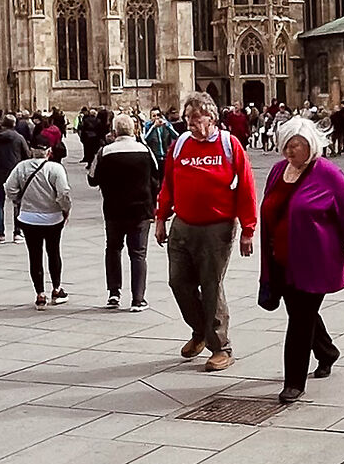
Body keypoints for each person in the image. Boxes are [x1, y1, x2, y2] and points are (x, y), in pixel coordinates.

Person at [260, 116, 344, 405]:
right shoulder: (279, 170)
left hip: (316, 260)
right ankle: (327, 351)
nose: (289, 151)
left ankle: (294, 382)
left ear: (311, 145)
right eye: (286, 145)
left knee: (300, 319)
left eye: (296, 145)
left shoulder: (328, 174)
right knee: (300, 312)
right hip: (281, 258)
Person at [154, 91, 258, 373]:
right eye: (187, 118)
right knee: (178, 283)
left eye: (195, 118)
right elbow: (168, 185)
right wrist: (161, 218)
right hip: (183, 225)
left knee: (211, 287)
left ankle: (221, 347)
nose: (190, 123)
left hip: (217, 227)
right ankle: (199, 330)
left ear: (211, 118)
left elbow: (246, 188)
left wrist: (248, 229)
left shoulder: (229, 144)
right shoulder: (179, 145)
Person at [89, 111, 159, 309]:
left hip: (114, 210)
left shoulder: (105, 152)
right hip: (141, 210)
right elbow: (157, 177)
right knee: (138, 254)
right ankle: (138, 299)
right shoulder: (145, 151)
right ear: (134, 130)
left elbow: (92, 178)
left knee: (113, 249)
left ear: (114, 130)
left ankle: (114, 293)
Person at [4, 138, 71, 303]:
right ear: (49, 152)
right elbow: (63, 193)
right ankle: (56, 289)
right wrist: (65, 209)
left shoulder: (21, 167)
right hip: (53, 217)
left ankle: (40, 294)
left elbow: (9, 187)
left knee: (34, 255)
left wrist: (18, 199)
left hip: (28, 217)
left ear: (31, 151)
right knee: (53, 252)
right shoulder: (55, 168)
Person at [0, 117, 30, 241]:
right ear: (14, 124)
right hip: (15, 175)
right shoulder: (19, 138)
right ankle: (17, 232)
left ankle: (0, 234)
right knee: (17, 204)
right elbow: (27, 155)